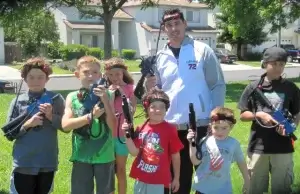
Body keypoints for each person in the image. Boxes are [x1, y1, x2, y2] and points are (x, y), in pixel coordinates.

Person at [145, 8, 226, 194]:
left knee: (208, 179)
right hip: (172, 128)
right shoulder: (159, 58)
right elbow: (157, 96)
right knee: (177, 183)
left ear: (185, 24)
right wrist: (150, 88)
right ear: (164, 29)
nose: (174, 28)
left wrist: (218, 118)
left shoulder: (202, 50)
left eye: (177, 23)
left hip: (202, 125)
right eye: (169, 25)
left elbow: (218, 85)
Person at [238, 47, 300, 194]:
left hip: (283, 147)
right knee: (254, 188)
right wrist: (258, 115)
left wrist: (291, 127)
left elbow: (298, 113)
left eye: (282, 64)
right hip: (259, 146)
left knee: (282, 188)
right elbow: (242, 115)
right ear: (265, 64)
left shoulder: (290, 88)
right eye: (275, 64)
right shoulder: (253, 87)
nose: (278, 68)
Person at [4, 57, 65, 194]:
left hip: (47, 161)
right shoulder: (17, 101)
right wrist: (27, 125)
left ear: (47, 79)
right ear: (24, 79)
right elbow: (9, 133)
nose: (36, 81)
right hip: (24, 161)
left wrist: (51, 116)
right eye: (31, 77)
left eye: (40, 77)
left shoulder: (56, 99)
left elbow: (65, 127)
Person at [61, 56, 116, 194]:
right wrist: (90, 116)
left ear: (101, 75)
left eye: (95, 72)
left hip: (105, 155)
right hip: (81, 156)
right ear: (77, 74)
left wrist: (104, 99)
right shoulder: (72, 97)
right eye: (86, 72)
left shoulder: (109, 94)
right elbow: (66, 125)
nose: (91, 76)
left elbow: (113, 126)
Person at [122, 88, 184, 194]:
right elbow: (134, 152)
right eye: (153, 107)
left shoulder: (170, 129)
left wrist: (176, 178)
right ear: (146, 109)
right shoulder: (141, 128)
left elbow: (175, 155)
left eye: (161, 107)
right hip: (141, 178)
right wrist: (126, 135)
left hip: (160, 181)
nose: (158, 110)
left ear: (166, 109)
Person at [187, 107, 250, 194]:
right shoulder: (204, 141)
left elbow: (241, 162)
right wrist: (191, 144)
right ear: (210, 127)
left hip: (223, 189)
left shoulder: (233, 144)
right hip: (203, 188)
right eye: (216, 127)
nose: (220, 132)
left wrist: (247, 180)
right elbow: (195, 161)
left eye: (224, 128)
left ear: (231, 127)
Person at [104, 57, 137, 194]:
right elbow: (106, 111)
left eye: (117, 74)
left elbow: (132, 110)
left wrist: (122, 93)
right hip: (109, 134)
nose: (114, 78)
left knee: (121, 169)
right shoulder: (106, 90)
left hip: (123, 136)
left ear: (123, 72)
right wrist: (110, 97)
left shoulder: (131, 88)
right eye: (110, 75)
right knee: (109, 169)